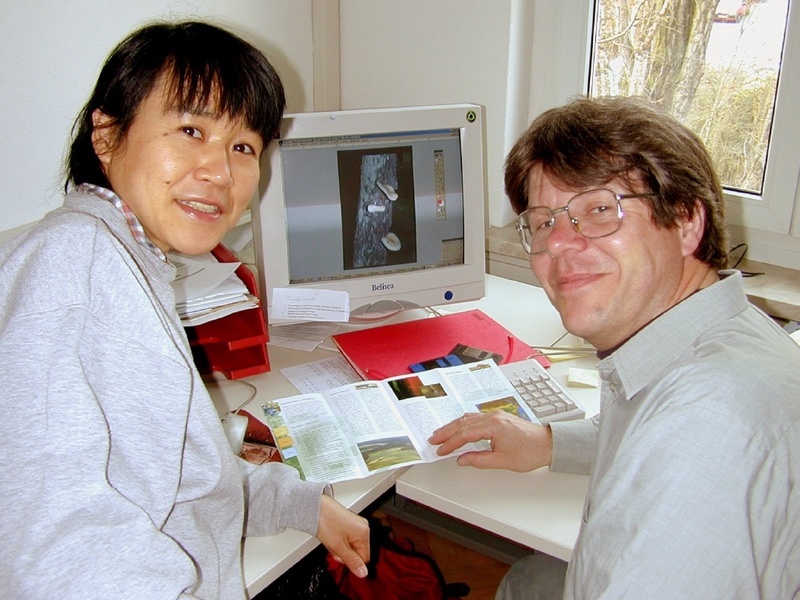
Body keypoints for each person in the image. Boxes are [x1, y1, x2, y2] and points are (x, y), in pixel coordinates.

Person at [0, 21, 369, 599]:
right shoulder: (73, 265)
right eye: (190, 129)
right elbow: (58, 555)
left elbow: (173, 476)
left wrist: (296, 503)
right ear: (106, 135)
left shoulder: (120, 256)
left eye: (243, 147)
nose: (220, 172)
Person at [429, 96, 800, 599]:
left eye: (600, 210)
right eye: (543, 221)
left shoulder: (704, 426)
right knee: (528, 580)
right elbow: (645, 424)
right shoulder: (727, 332)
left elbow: (679, 436)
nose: (558, 242)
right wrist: (552, 443)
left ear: (687, 221)